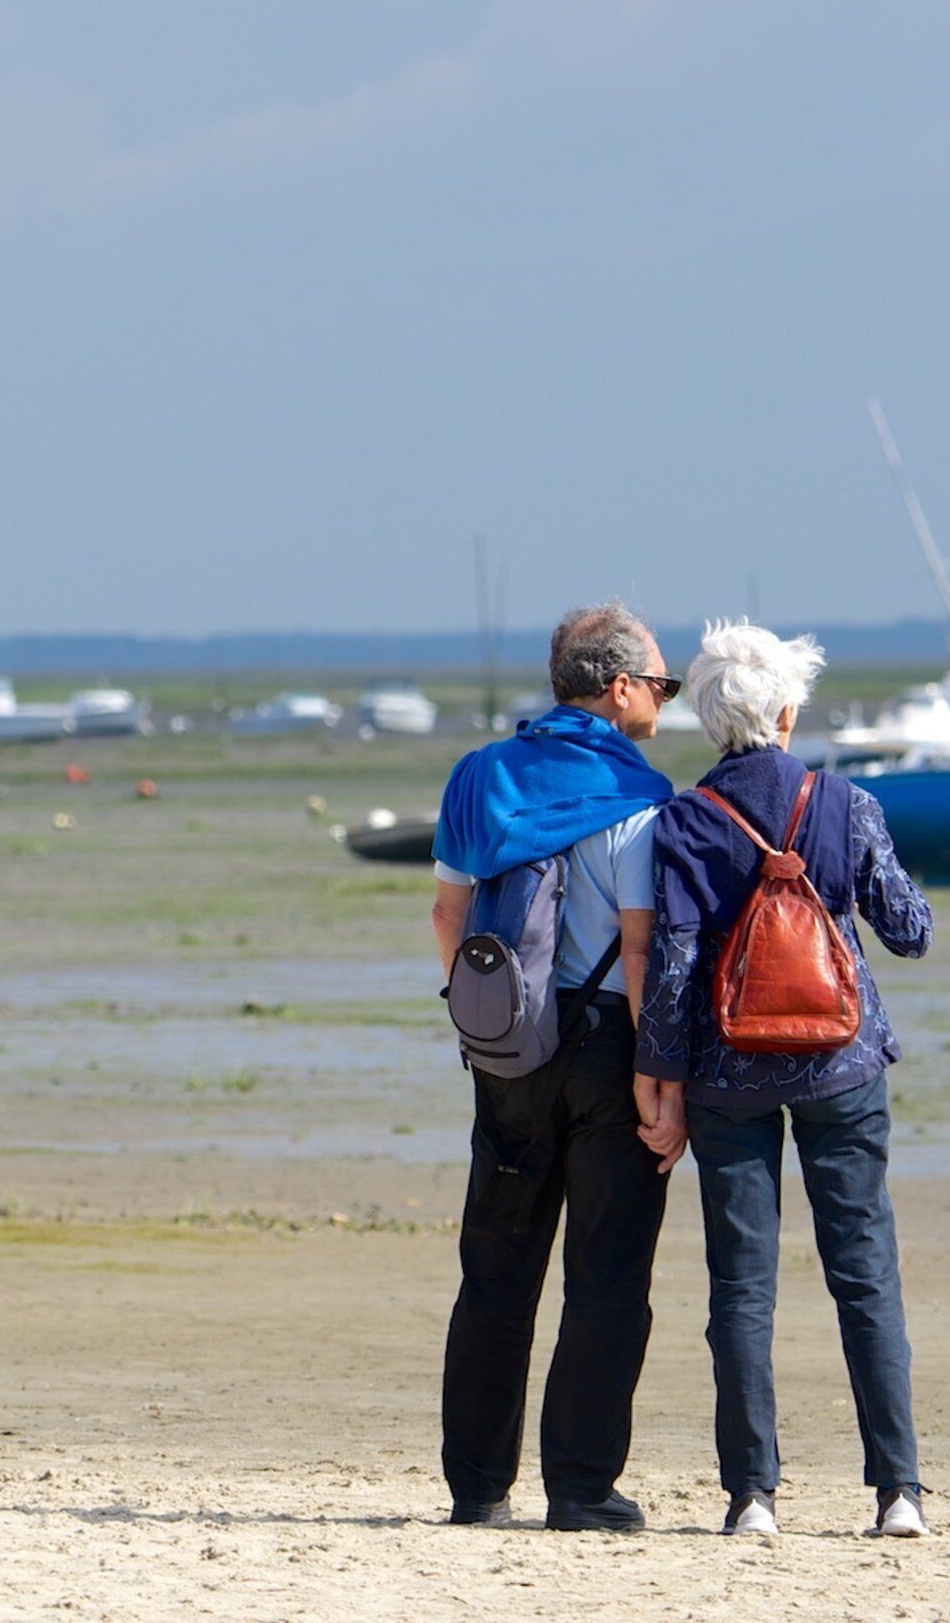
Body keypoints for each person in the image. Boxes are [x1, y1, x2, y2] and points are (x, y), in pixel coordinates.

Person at [633, 620, 935, 1540]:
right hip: (840, 1064)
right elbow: (910, 930)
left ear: (711, 720)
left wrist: (660, 1078)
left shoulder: (685, 820)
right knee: (865, 1275)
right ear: (789, 711)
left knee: (741, 1287)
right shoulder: (845, 802)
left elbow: (677, 967)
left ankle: (753, 1497)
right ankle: (898, 1495)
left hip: (728, 1073)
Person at [429, 604, 684, 1530]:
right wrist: (664, 1077)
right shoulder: (639, 794)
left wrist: (486, 1030)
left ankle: (478, 1489)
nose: (664, 699)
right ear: (617, 688)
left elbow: (447, 920)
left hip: (505, 1049)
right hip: (609, 1045)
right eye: (662, 684)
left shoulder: (479, 775)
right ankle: (579, 1488)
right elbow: (642, 947)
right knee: (607, 1272)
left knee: (495, 1267)